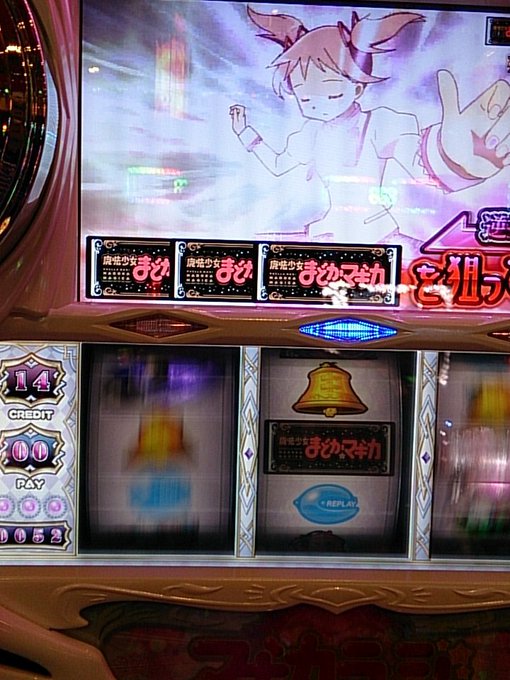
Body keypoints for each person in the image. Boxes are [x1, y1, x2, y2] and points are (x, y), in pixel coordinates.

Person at [230, 7, 510, 243]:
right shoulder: (310, 133)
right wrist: (245, 133)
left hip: (378, 233)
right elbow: (279, 165)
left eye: (332, 93)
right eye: (304, 98)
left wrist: (455, 162)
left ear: (358, 88)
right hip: (329, 231)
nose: (317, 105)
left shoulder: (381, 123)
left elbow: (418, 166)